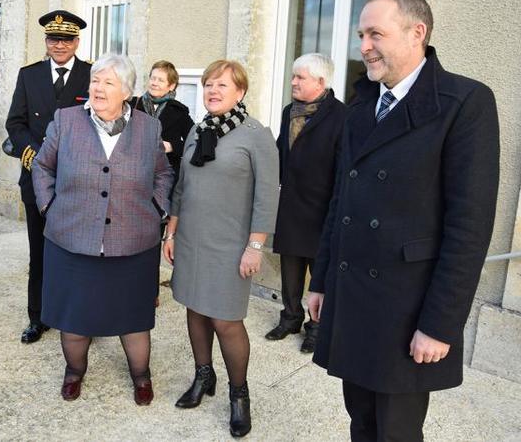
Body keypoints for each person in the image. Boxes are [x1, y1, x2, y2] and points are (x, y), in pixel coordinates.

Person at [306, 0, 499, 441]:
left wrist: (439, 324)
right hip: (353, 294)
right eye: (361, 36)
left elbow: (469, 228)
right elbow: (342, 203)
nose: (364, 46)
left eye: (376, 34)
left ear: (418, 33)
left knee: (396, 432)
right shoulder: (360, 106)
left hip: (407, 309)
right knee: (361, 420)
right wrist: (322, 280)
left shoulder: (464, 103)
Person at [32, 53, 173, 404]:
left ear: (126, 91)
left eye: (108, 82)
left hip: (134, 240)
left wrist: (156, 208)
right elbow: (42, 167)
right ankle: (74, 372)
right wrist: (49, 206)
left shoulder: (148, 127)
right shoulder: (65, 121)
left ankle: (141, 376)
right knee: (74, 316)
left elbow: (163, 173)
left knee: (133, 317)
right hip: (71, 239)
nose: (98, 87)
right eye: (95, 80)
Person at [164, 60, 279, 438]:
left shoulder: (255, 135)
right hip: (192, 239)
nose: (213, 91)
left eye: (222, 86)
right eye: (209, 85)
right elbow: (182, 185)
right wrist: (171, 231)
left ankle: (239, 395)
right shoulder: (199, 130)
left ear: (240, 92)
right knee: (195, 309)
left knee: (226, 320)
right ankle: (203, 376)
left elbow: (266, 197)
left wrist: (255, 247)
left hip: (231, 245)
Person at [6, 9, 92, 344]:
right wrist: (37, 155)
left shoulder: (91, 74)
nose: (59, 45)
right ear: (46, 41)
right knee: (39, 251)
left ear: (76, 42)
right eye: (54, 39)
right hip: (38, 179)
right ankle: (38, 316)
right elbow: (15, 123)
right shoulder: (29, 75)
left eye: (66, 39)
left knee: (79, 253)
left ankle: (79, 316)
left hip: (79, 181)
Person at [265, 53, 348, 353]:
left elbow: (343, 168)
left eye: (300, 77)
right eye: (293, 76)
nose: (293, 82)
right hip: (290, 205)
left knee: (320, 272)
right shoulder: (290, 111)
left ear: (321, 82)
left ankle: (317, 327)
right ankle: (290, 317)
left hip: (322, 209)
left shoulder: (341, 116)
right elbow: (280, 151)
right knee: (290, 267)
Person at [129, 60, 194, 188]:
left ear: (171, 86)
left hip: (165, 176)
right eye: (153, 78)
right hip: (134, 172)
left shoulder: (179, 111)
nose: (154, 83)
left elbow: (193, 141)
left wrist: (171, 146)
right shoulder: (133, 105)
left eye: (160, 80)